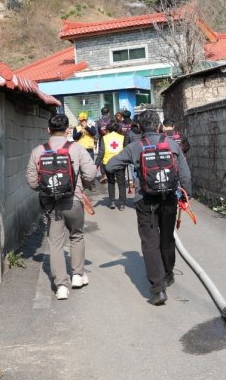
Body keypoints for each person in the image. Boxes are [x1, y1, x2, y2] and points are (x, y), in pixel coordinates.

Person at [105, 110, 192, 306]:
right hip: (169, 198)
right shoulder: (172, 144)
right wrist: (186, 196)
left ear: (140, 128)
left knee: (150, 242)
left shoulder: (135, 147)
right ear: (159, 126)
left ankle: (158, 289)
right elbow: (185, 175)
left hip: (145, 200)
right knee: (167, 238)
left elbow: (110, 166)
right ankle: (168, 274)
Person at [26, 114, 97, 300]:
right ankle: (77, 275)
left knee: (55, 243)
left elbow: (32, 181)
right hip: (73, 201)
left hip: (51, 206)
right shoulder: (77, 149)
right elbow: (90, 173)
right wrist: (83, 186)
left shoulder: (38, 151)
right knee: (77, 235)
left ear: (48, 130)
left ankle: (61, 286)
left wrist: (47, 191)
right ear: (67, 130)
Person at [101, 121, 127, 210]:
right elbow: (126, 150)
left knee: (111, 182)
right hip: (120, 162)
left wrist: (96, 164)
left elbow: (101, 152)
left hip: (107, 163)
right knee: (121, 183)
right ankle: (122, 204)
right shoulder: (122, 137)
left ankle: (112, 202)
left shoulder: (104, 138)